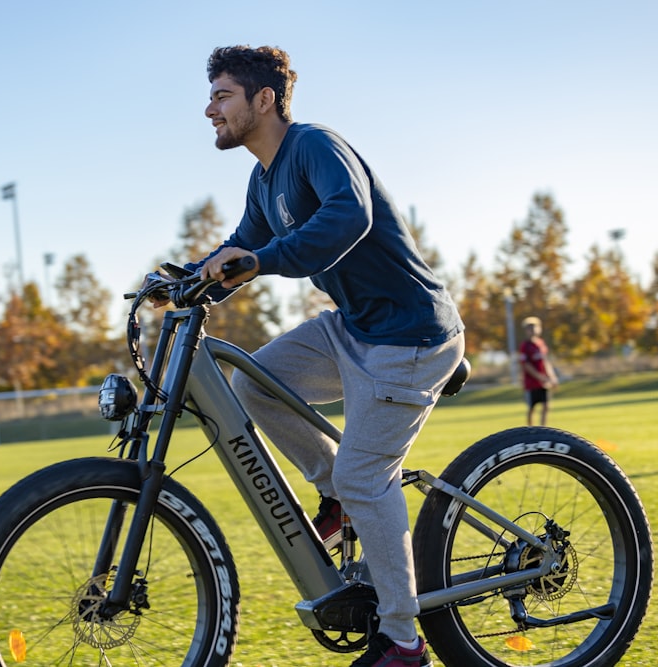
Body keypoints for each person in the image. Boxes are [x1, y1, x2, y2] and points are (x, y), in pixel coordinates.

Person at [187, 45, 464, 667]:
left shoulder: (314, 145)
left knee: (369, 477)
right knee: (255, 385)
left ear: (264, 100)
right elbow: (243, 244)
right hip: (354, 328)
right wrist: (187, 275)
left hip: (410, 335)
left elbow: (350, 214)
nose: (209, 110)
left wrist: (264, 260)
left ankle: (403, 641)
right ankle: (335, 494)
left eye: (222, 96)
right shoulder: (263, 179)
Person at [519, 316, 558, 426]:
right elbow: (526, 365)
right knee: (532, 407)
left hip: (543, 382)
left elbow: (545, 362)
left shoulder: (540, 344)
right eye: (529, 328)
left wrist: (551, 376)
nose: (532, 330)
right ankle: (530, 429)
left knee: (546, 405)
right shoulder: (525, 346)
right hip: (531, 383)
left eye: (534, 327)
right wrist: (539, 376)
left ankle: (543, 427)